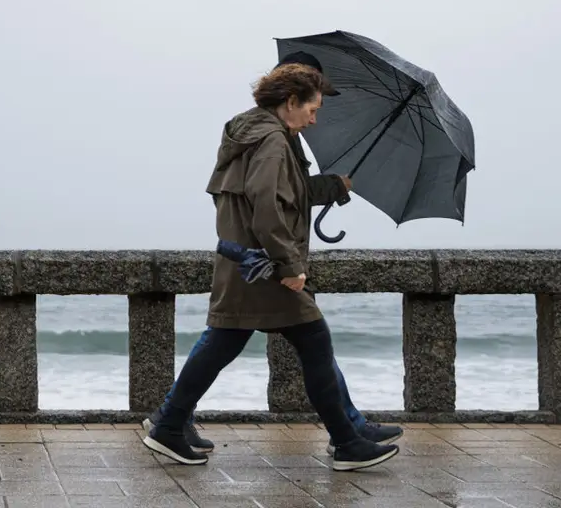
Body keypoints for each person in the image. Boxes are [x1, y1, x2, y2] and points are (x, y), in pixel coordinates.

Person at [141, 63, 401, 472]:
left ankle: (170, 421)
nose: (314, 120)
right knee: (313, 338)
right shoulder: (274, 141)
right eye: (311, 110)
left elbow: (281, 193)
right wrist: (288, 264)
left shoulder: (250, 132)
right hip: (263, 267)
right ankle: (348, 440)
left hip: (243, 262)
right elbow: (265, 208)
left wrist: (334, 186)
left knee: (224, 340)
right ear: (290, 101)